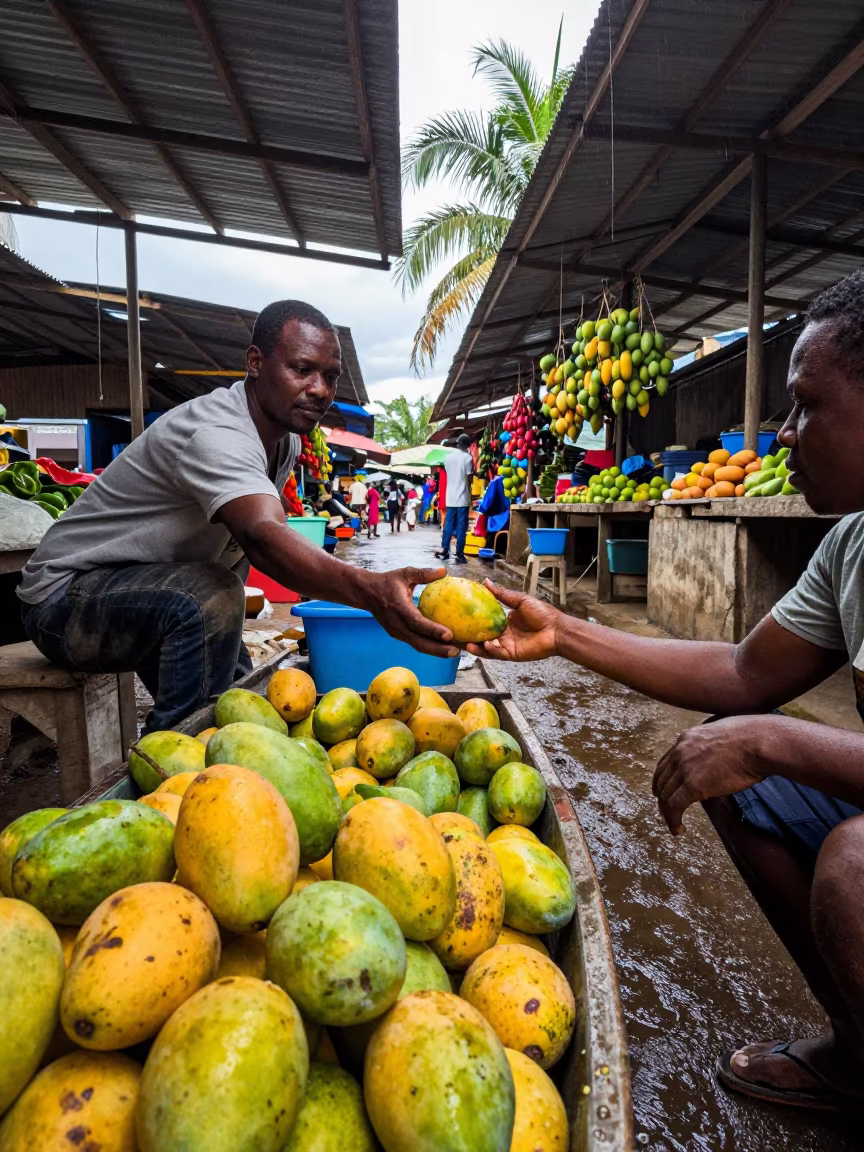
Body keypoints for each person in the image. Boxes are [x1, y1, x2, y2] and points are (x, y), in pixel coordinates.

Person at [468, 270, 864, 1113]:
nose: (784, 435)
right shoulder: (850, 545)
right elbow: (746, 673)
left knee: (852, 861)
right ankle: (858, 1049)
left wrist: (771, 739)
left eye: (805, 407)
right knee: (732, 761)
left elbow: (765, 722)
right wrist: (563, 633)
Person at [18, 300, 457, 732]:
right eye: (302, 370)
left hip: (148, 593)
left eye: (330, 376)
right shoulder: (217, 432)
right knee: (209, 605)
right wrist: (372, 593)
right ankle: (175, 765)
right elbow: (262, 536)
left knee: (242, 696)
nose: (321, 389)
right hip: (63, 605)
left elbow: (240, 548)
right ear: (255, 362)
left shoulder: (284, 441)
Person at [435, 434, 474, 564]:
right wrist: (471, 497)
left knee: (448, 525)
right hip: (462, 498)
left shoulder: (448, 458)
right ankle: (459, 554)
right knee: (462, 527)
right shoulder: (468, 458)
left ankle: (444, 549)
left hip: (450, 497)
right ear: (468, 445)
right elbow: (469, 480)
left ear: (458, 443)